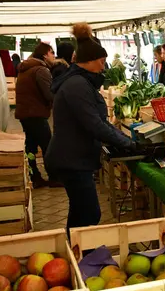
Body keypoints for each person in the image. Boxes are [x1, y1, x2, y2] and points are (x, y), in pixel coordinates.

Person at [45, 23, 135, 232]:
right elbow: (94, 124)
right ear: (90, 61)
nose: (103, 67)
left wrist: (124, 140)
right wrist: (127, 143)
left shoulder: (79, 82)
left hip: (74, 157)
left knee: (80, 211)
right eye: (102, 62)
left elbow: (98, 122)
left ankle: (76, 253)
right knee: (88, 212)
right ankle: (83, 254)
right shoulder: (77, 85)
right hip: (72, 160)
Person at [15, 42, 57, 188]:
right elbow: (49, 94)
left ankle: (34, 177)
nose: (54, 56)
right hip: (35, 113)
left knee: (31, 146)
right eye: (52, 52)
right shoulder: (41, 70)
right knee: (48, 146)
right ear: (45, 54)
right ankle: (54, 177)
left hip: (25, 113)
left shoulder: (26, 68)